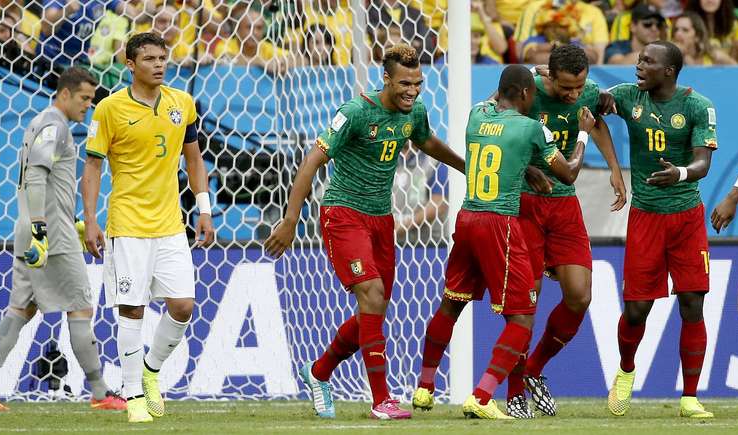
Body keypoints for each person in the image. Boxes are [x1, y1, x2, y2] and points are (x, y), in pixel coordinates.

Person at [264, 44, 464, 420]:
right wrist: (290, 220)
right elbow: (312, 161)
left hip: (380, 219)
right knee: (371, 296)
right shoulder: (355, 112)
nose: (413, 90)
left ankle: (320, 372)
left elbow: (426, 140)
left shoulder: (414, 111)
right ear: (386, 78)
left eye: (418, 83)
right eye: (405, 83)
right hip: (343, 214)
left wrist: (463, 167)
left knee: (375, 308)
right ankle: (381, 400)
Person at [411, 64, 595, 419]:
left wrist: (527, 168)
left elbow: (500, 138)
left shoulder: (476, 115)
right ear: (527, 94)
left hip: (465, 220)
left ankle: (424, 387)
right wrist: (583, 134)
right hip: (500, 223)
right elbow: (569, 174)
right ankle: (482, 397)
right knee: (522, 318)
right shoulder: (532, 129)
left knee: (451, 304)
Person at [0, 67, 126, 412]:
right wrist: (44, 226)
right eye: (84, 98)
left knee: (20, 309)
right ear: (65, 94)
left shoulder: (40, 122)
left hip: (32, 229)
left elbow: (44, 180)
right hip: (50, 236)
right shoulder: (55, 126)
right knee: (81, 307)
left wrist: (66, 221)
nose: (89, 105)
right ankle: (100, 393)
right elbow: (37, 175)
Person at [82, 33, 215, 423]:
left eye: (163, 57)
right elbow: (92, 167)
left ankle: (150, 371)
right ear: (130, 65)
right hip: (128, 223)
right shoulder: (109, 109)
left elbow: (194, 158)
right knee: (133, 309)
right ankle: (133, 395)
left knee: (183, 306)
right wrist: (91, 220)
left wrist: (203, 209)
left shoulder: (181, 103)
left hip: (171, 223)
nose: (160, 64)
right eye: (151, 59)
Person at [505, 44, 627, 418]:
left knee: (579, 295)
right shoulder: (527, 89)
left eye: (580, 86)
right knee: (527, 300)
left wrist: (615, 169)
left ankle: (534, 369)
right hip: (525, 203)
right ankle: (512, 392)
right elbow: (500, 129)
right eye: (566, 88)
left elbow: (597, 124)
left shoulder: (586, 92)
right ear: (549, 78)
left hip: (564, 205)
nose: (574, 95)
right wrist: (527, 170)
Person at [605, 41, 717, 419]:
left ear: (668, 70)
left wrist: (680, 173)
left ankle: (689, 397)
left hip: (686, 218)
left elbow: (703, 163)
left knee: (692, 305)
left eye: (647, 61)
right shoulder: (626, 97)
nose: (639, 65)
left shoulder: (697, 106)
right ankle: (625, 370)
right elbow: (588, 99)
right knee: (637, 311)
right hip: (646, 218)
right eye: (639, 59)